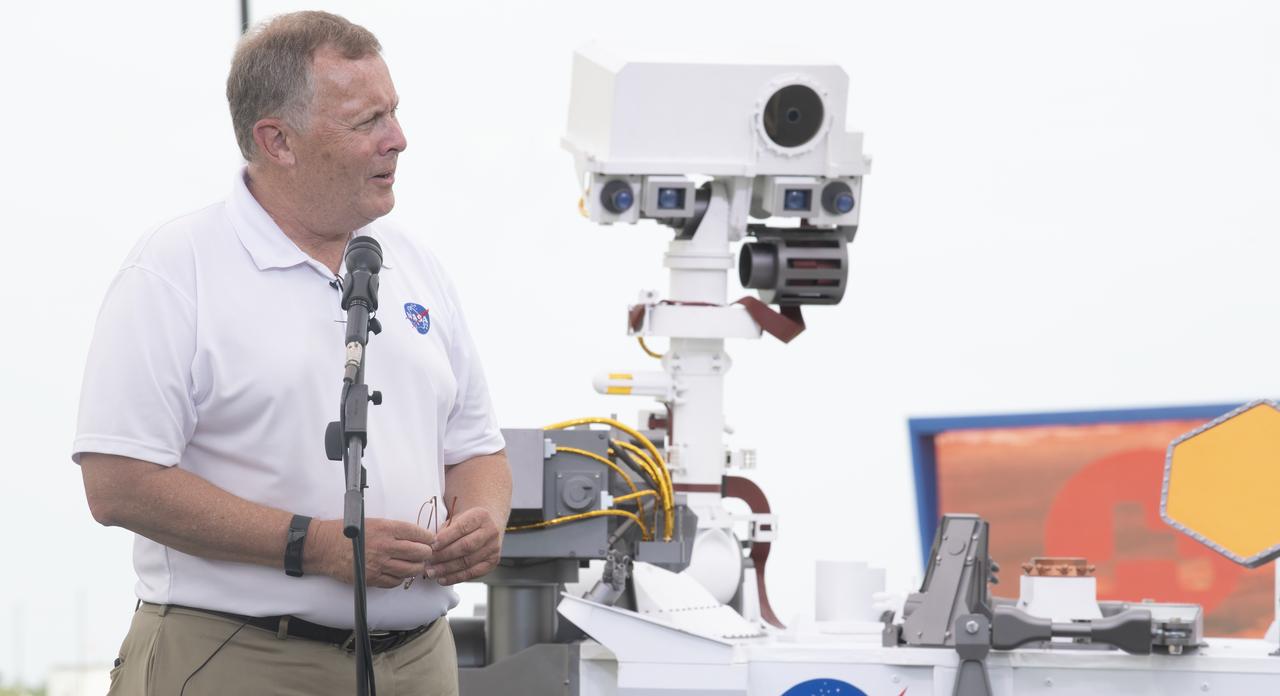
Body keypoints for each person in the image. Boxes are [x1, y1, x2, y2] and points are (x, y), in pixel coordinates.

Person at [73, 11, 511, 696]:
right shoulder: (175, 268)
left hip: (420, 660)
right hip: (238, 658)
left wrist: (484, 520)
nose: (398, 139)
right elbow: (117, 482)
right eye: (367, 121)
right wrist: (314, 545)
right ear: (277, 140)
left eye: (394, 111)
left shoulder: (416, 262)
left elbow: (477, 450)